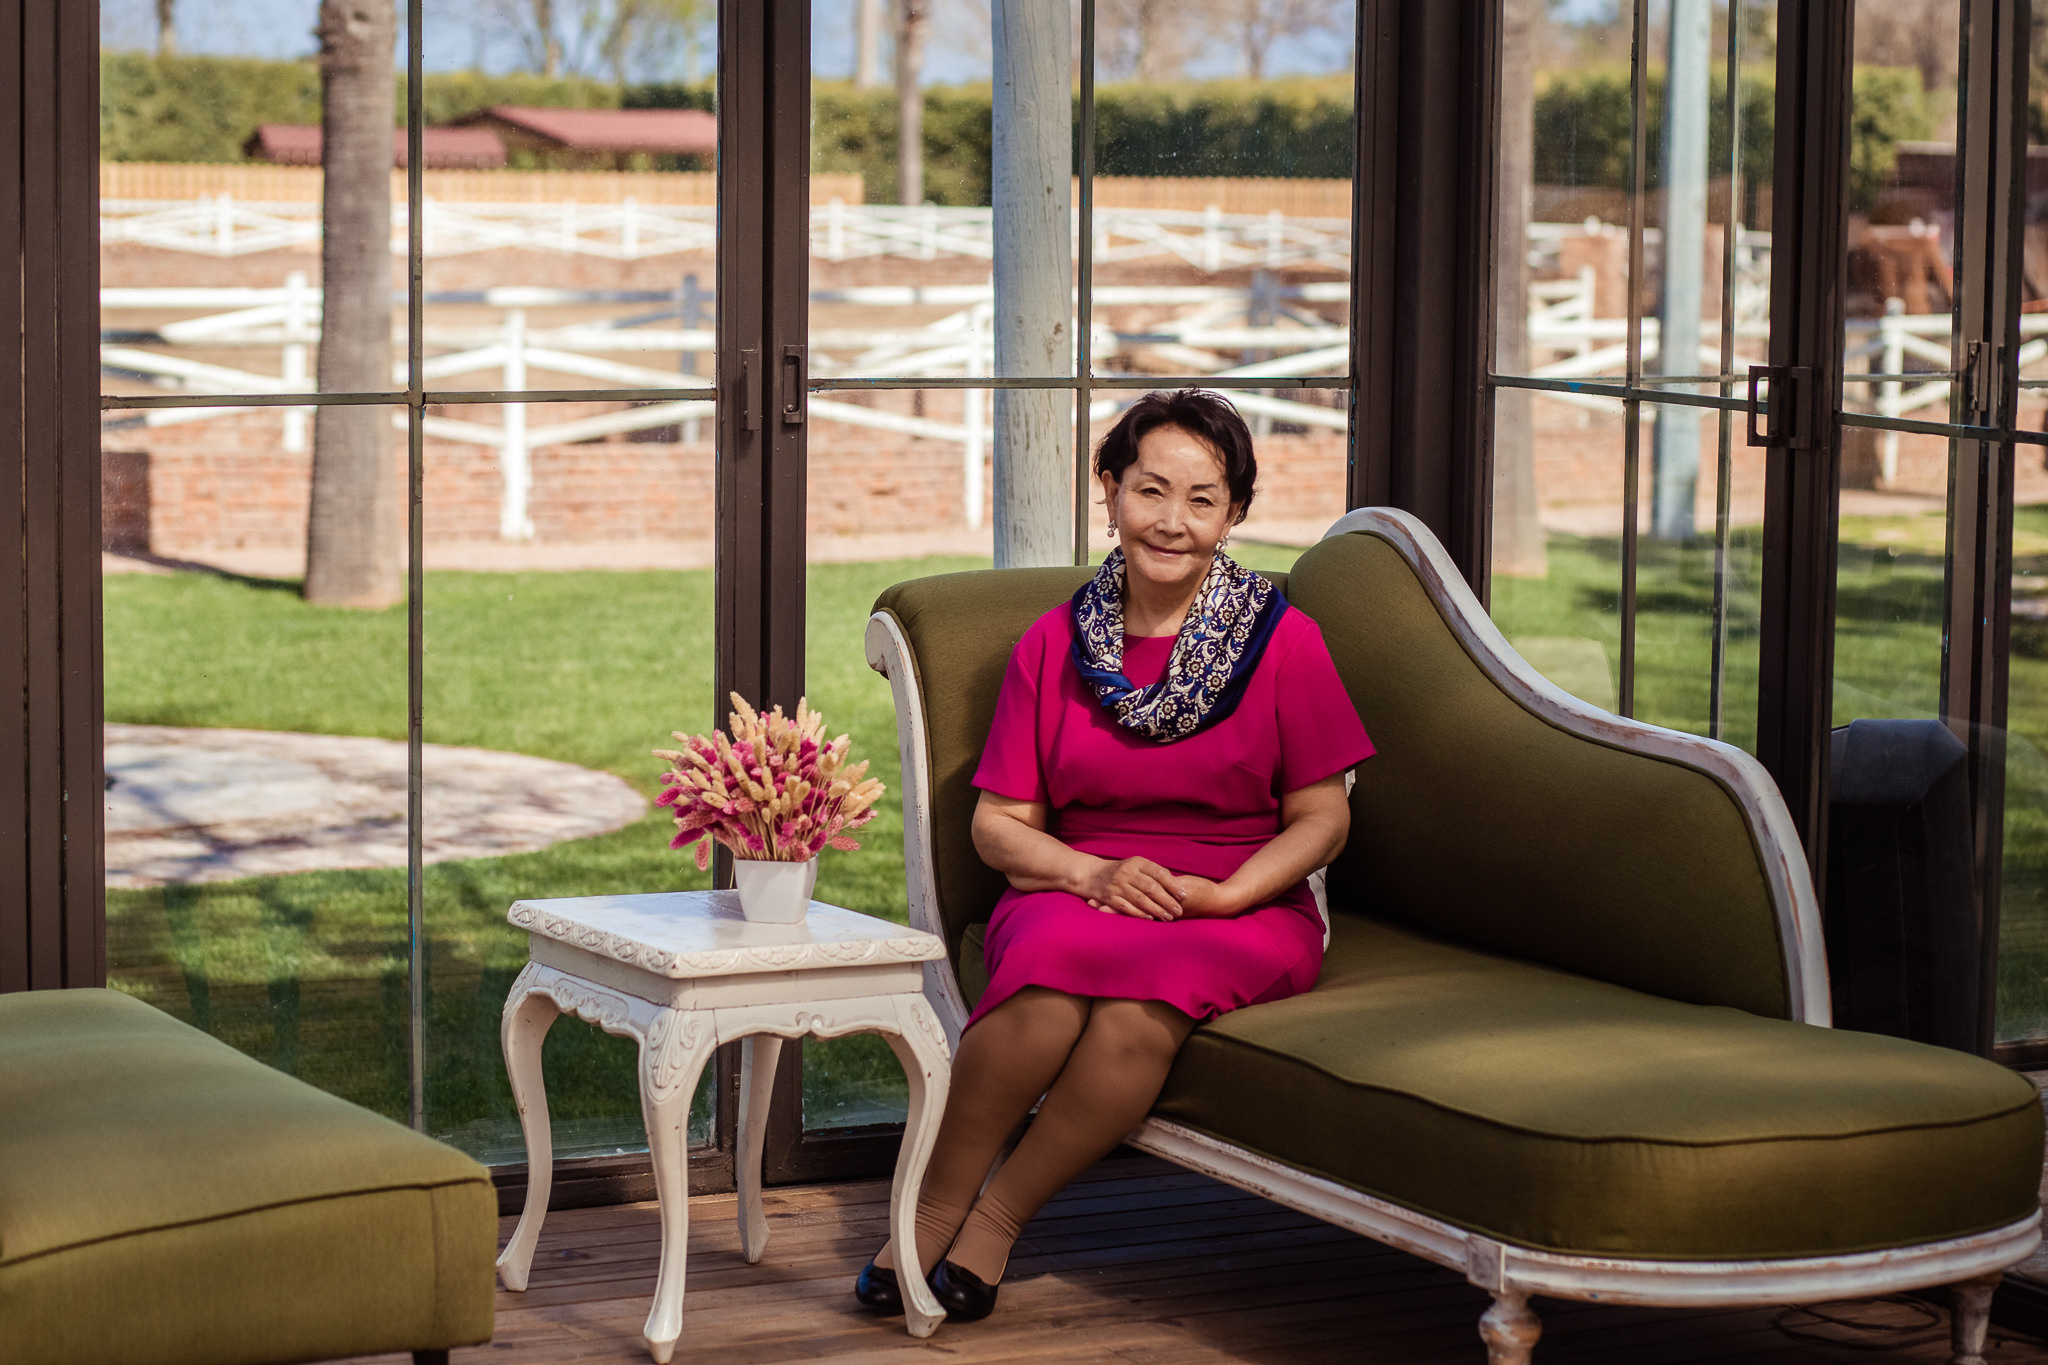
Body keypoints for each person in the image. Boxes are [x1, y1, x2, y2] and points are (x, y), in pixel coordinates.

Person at [855, 388, 1376, 1322]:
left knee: (1141, 1007)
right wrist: (1091, 874)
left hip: (1244, 897)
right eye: (1150, 490)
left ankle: (1000, 1220)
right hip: (1079, 879)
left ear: (1234, 517)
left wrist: (1222, 897)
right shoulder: (1054, 643)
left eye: (1203, 499)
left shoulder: (1285, 642)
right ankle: (926, 1212)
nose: (1172, 522)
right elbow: (998, 826)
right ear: (1109, 491)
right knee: (1048, 982)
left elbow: (1320, 820)